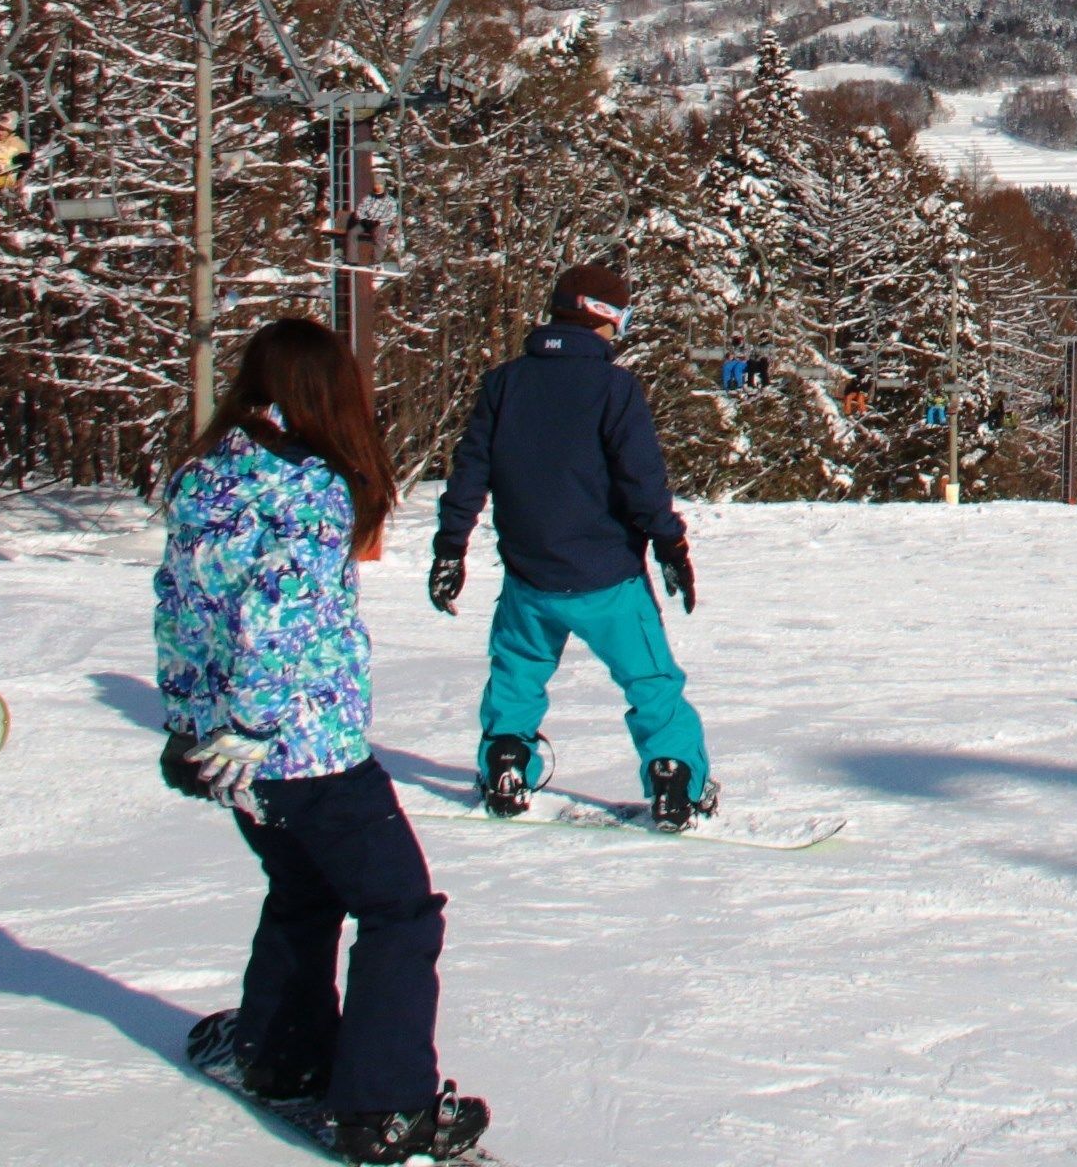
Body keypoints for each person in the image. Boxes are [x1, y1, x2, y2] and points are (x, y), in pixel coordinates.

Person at [154, 317, 488, 1163]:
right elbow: (277, 621)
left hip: (239, 758)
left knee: (304, 892)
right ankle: (385, 1106)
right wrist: (253, 726)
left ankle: (281, 1054)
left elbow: (178, 607)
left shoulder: (206, 476)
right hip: (305, 750)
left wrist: (190, 726)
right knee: (399, 911)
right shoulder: (308, 487)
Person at [429, 264, 713, 830]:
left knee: (517, 674)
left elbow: (469, 472)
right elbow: (642, 480)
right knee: (651, 682)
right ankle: (675, 780)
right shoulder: (614, 387)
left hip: (529, 577)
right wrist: (670, 546)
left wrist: (450, 548)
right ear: (603, 315)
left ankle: (507, 764)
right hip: (608, 577)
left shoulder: (504, 383)